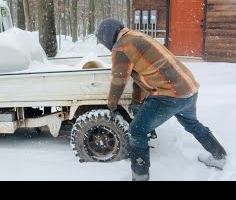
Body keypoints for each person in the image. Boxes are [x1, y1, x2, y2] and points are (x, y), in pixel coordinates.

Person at [95, 18, 227, 181]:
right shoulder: (136, 37)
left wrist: (112, 104)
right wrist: (137, 101)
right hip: (189, 89)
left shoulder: (121, 47)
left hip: (170, 95)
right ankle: (219, 156)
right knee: (192, 124)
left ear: (107, 37)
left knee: (137, 131)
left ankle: (140, 176)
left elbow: (119, 79)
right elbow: (139, 75)